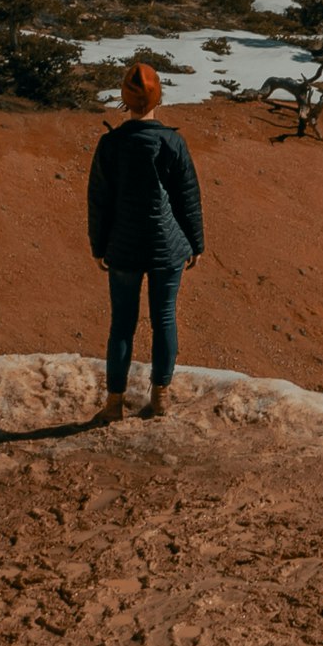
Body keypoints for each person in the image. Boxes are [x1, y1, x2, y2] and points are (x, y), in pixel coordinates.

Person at [86, 59, 204, 421]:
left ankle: (113, 405)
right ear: (159, 98)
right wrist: (196, 243)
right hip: (167, 246)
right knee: (164, 319)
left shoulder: (111, 144)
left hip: (122, 247)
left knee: (122, 324)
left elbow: (99, 200)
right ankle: (161, 398)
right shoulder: (172, 142)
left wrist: (99, 245)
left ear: (125, 98)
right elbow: (187, 196)